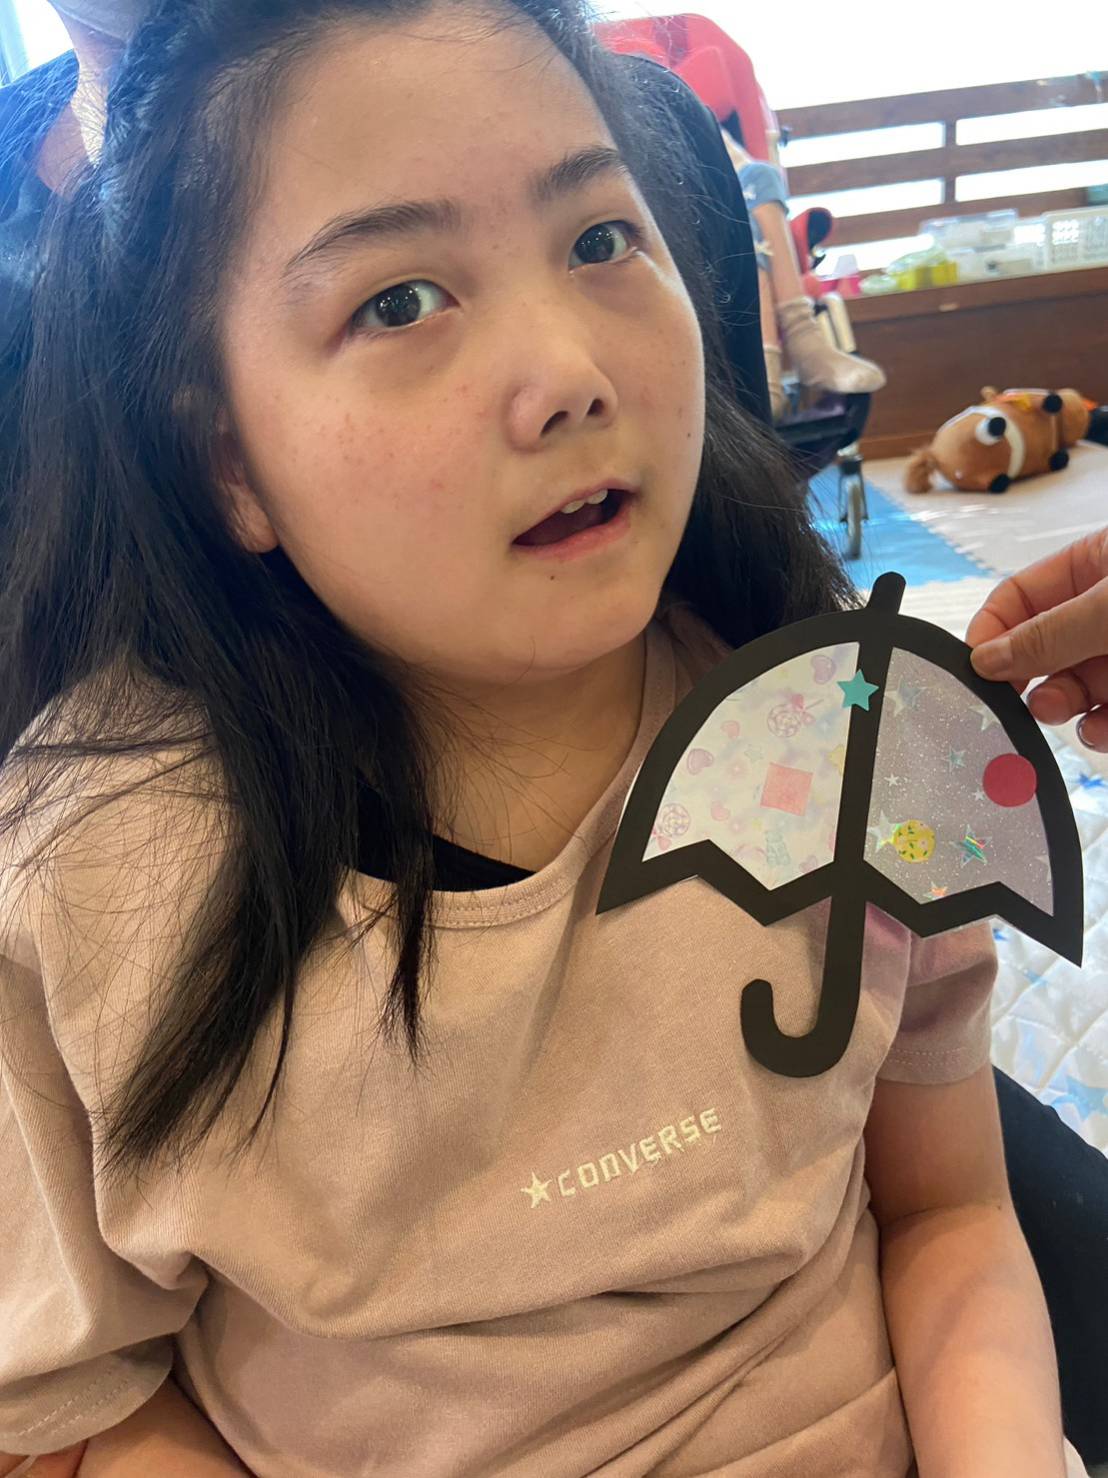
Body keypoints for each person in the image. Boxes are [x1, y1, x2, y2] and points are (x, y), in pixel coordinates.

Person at [0, 4, 1093, 1476]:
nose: (569, 368)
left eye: (599, 240)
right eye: (400, 301)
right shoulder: (91, 877)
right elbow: (77, 1405)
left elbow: (950, 1210)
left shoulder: (852, 735)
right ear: (228, 462)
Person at [716, 122, 885, 421]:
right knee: (742, 221)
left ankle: (802, 340)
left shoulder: (683, 112)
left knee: (761, 175)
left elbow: (743, 171)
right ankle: (770, 372)